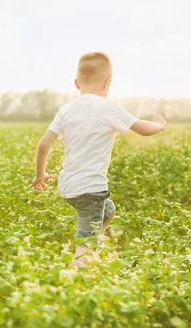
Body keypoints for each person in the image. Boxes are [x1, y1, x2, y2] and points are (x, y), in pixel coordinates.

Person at [32, 51, 166, 267]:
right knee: (85, 244)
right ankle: (75, 276)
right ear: (108, 82)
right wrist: (160, 124)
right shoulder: (109, 107)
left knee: (108, 209)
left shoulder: (65, 110)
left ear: (77, 83)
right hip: (90, 189)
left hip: (69, 186)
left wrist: (40, 174)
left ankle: (95, 241)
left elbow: (43, 145)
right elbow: (143, 129)